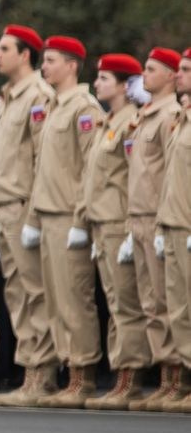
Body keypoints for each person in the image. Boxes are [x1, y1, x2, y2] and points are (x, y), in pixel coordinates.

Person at [15, 35, 100, 409]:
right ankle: (67, 368)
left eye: (50, 61)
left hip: (68, 215)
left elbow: (90, 169)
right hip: (47, 213)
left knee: (74, 299)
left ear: (71, 65)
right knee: (54, 301)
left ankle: (83, 375)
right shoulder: (52, 107)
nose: (44, 66)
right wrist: (33, 214)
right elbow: (41, 168)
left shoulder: (84, 108)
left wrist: (81, 218)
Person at [0, 26, 61, 406]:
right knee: (16, 292)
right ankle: (30, 368)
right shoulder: (6, 99)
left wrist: (33, 215)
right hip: (4, 206)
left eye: (4, 49)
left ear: (24, 54)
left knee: (35, 291)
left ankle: (43, 373)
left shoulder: (38, 96)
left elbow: (40, 162)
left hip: (23, 205)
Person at [83, 54, 152, 407]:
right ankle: (122, 374)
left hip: (118, 222)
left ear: (125, 86)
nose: (97, 84)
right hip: (101, 221)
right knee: (114, 302)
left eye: (105, 79)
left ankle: (131, 377)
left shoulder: (130, 123)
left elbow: (132, 179)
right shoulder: (108, 122)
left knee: (127, 303)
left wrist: (128, 229)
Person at [125, 49, 180, 409]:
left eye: (152, 69)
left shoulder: (170, 115)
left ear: (173, 76)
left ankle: (177, 377)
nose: (144, 75)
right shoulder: (145, 116)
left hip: (161, 217)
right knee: (150, 302)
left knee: (167, 301)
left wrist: (161, 222)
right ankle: (165, 376)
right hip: (139, 216)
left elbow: (168, 176)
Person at [155, 47, 191, 413]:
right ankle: (181, 381)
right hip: (174, 222)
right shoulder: (182, 118)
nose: (179, 75)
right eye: (178, 69)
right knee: (177, 308)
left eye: (186, 69)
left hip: (189, 223)